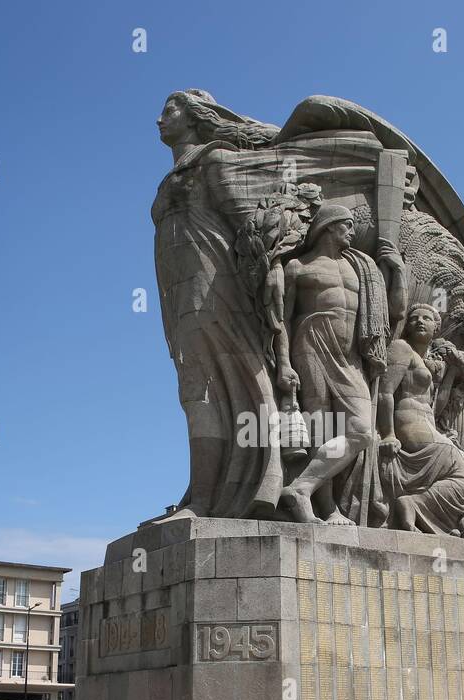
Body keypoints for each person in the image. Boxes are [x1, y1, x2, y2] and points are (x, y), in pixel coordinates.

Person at [151, 90, 284, 519]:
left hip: (214, 288)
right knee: (195, 390)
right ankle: (202, 494)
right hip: (178, 294)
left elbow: (259, 223)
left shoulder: (214, 161)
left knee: (226, 380)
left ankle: (226, 494)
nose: (158, 119)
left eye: (169, 110)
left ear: (194, 117)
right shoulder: (178, 173)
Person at [278, 205, 389, 525]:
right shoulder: (298, 267)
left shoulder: (361, 268)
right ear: (328, 227)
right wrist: (284, 362)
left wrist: (393, 269)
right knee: (320, 428)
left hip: (350, 356)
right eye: (347, 226)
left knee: (362, 431)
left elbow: (388, 312)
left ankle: (301, 488)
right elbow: (282, 320)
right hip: (310, 344)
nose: (352, 232)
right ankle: (324, 508)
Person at [376, 304, 464, 533]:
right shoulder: (402, 349)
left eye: (426, 318)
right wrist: (389, 434)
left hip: (427, 423)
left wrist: (451, 372)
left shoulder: (427, 364)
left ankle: (424, 508)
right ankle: (414, 506)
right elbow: (385, 392)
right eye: (414, 318)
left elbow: (435, 407)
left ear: (435, 329)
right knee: (460, 470)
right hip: (408, 423)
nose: (420, 321)